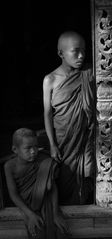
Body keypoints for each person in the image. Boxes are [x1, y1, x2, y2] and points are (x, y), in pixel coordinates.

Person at [43, 31, 96, 205]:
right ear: (61, 53)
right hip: (63, 139)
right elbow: (48, 113)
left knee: (86, 175)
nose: (81, 56)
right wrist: (52, 145)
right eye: (75, 51)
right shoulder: (50, 79)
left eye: (84, 51)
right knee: (63, 178)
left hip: (85, 139)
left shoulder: (89, 72)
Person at [4, 128, 68, 239]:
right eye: (28, 148)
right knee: (38, 233)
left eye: (35, 146)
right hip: (27, 206)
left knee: (61, 231)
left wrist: (56, 213)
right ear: (15, 149)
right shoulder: (9, 166)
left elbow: (52, 188)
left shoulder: (43, 160)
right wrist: (30, 215)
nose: (33, 151)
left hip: (47, 203)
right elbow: (13, 195)